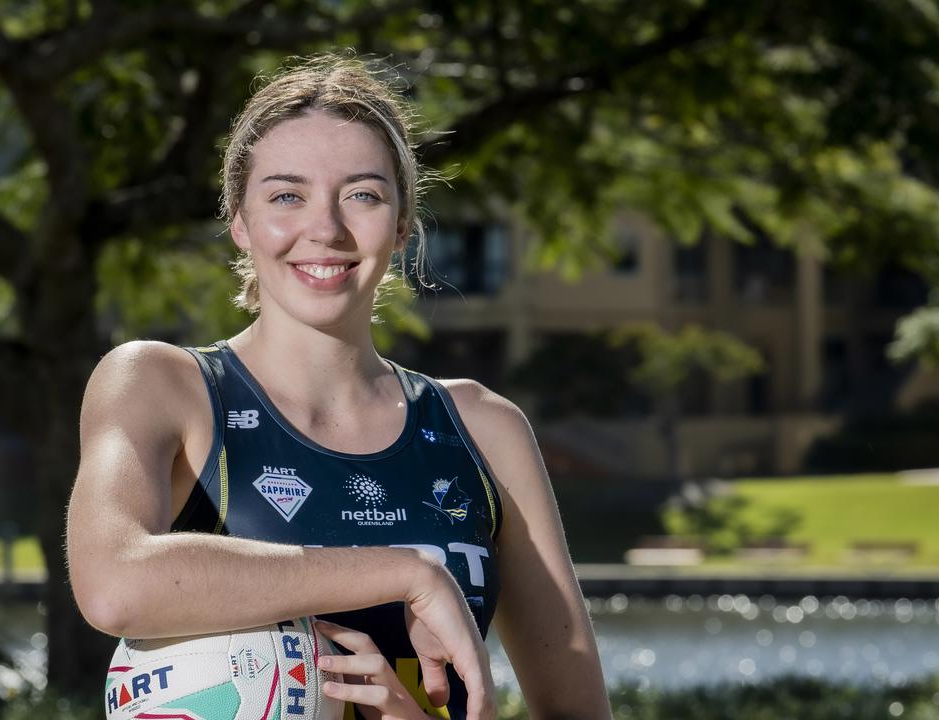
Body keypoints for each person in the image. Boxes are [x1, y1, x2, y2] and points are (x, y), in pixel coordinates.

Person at [66, 54, 612, 720]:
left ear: (403, 222)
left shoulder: (482, 427)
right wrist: (408, 575)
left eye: (362, 194)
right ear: (239, 219)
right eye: (287, 195)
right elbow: (113, 584)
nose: (324, 229)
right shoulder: (162, 384)